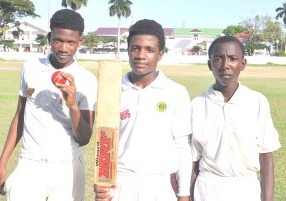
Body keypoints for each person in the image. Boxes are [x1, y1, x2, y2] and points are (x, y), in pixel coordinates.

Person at [0, 9, 97, 201]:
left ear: (80, 42)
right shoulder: (30, 67)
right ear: (49, 37)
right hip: (29, 164)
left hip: (68, 166)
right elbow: (20, 116)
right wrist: (2, 162)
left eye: (71, 42)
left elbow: (84, 138)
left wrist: (72, 105)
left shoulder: (87, 80)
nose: (63, 48)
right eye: (58, 40)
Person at [94, 19, 192, 201]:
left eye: (149, 50)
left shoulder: (176, 93)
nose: (141, 55)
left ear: (160, 54)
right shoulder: (112, 90)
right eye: (135, 48)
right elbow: (103, 140)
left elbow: (182, 147)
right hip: (121, 183)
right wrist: (101, 182)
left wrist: (184, 194)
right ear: (128, 50)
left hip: (159, 184)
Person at [190, 35, 281, 201]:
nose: (225, 65)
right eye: (218, 58)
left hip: (246, 189)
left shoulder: (256, 101)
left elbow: (266, 154)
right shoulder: (197, 104)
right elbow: (193, 160)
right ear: (210, 65)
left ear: (243, 64)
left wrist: (268, 198)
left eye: (232, 58)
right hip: (208, 189)